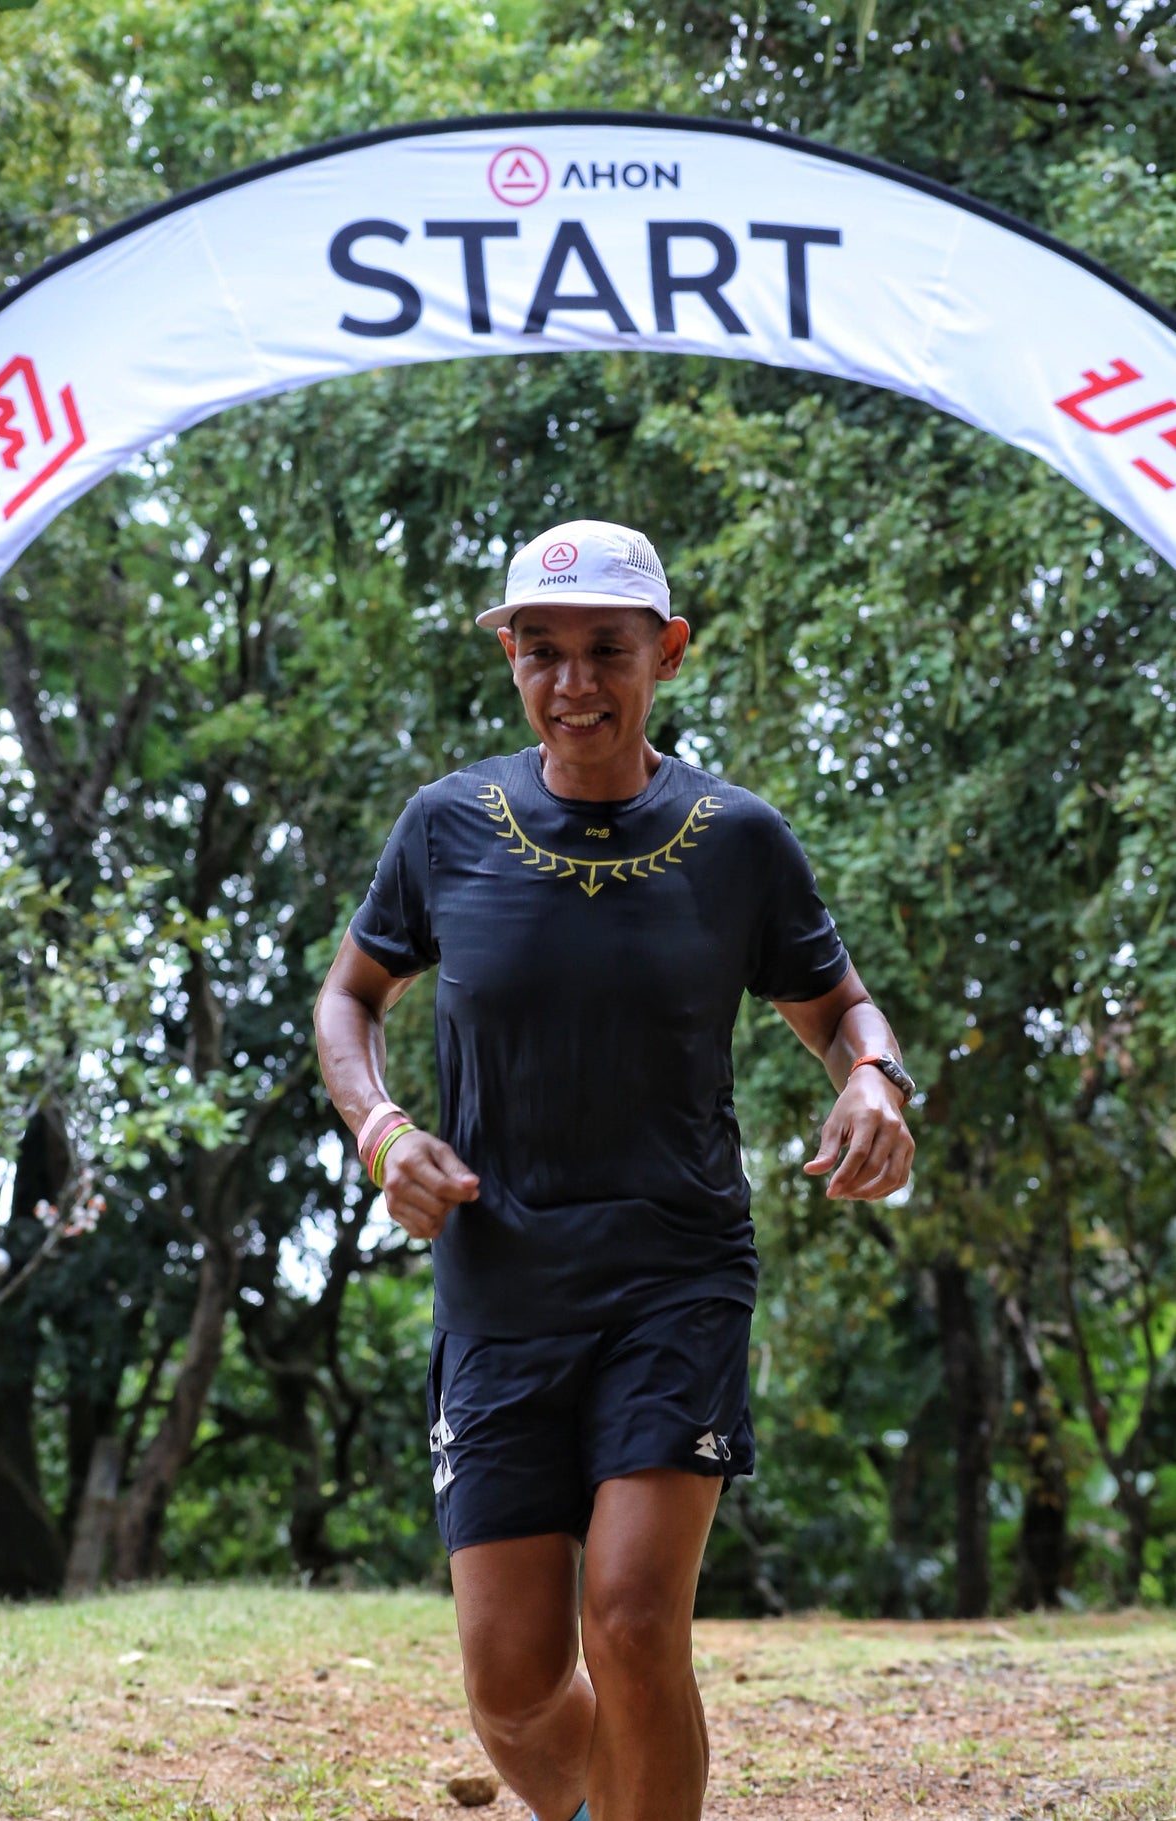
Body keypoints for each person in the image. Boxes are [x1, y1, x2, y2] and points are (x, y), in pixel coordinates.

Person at [314, 519, 915, 1821]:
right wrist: (380, 1128)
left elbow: (838, 1009)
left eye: (605, 651)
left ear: (667, 653)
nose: (573, 682)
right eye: (542, 651)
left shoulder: (734, 838)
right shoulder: (446, 827)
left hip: (673, 1272)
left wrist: (874, 1077)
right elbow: (348, 999)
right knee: (513, 1685)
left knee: (635, 1618)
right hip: (500, 1285)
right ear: (508, 657)